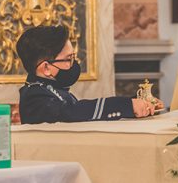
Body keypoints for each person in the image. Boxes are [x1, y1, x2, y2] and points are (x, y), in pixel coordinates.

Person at [15, 25, 160, 124]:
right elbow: (73, 113)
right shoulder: (34, 96)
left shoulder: (50, 88)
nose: (73, 64)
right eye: (68, 59)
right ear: (46, 68)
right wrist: (126, 106)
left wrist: (137, 103)